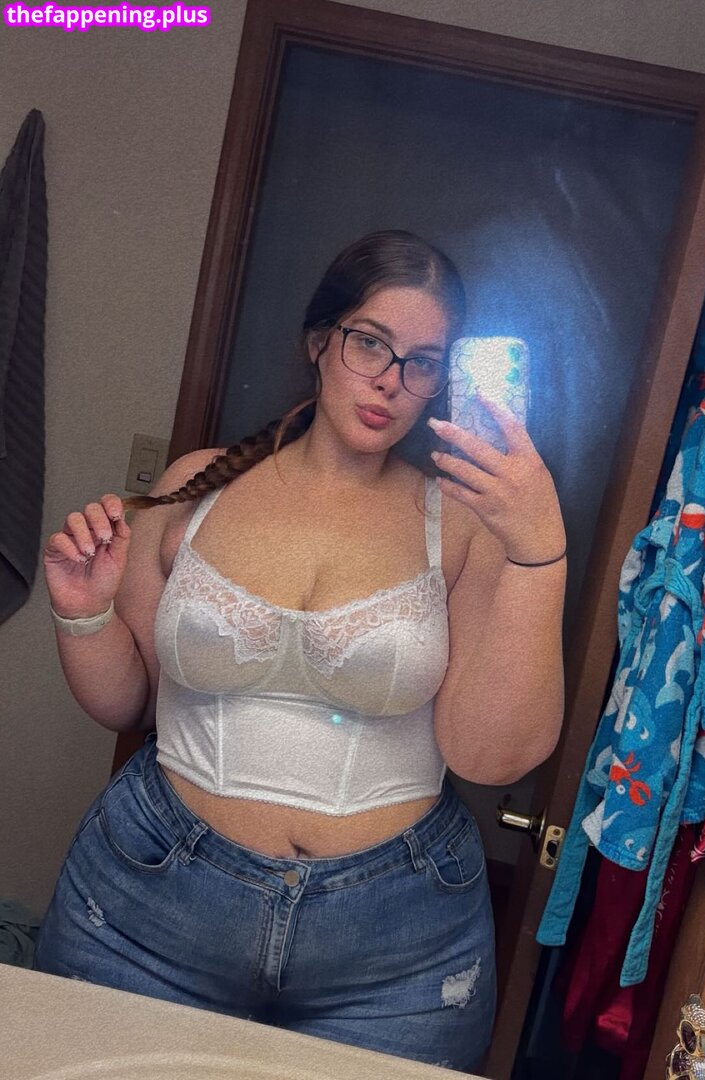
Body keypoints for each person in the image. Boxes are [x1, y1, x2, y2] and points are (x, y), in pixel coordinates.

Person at [32, 230, 566, 1072]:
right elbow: (128, 704)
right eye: (370, 343)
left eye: (423, 363)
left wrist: (541, 551)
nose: (390, 381)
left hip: (395, 948)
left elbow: (491, 756)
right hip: (150, 903)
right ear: (319, 341)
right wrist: (82, 614)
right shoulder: (198, 486)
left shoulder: (463, 522)